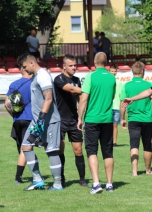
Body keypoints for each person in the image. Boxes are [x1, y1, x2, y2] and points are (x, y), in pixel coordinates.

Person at [18, 53, 62, 191]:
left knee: (51, 151)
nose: (24, 70)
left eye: (25, 66)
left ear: (32, 63)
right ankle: (37, 180)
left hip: (49, 121)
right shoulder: (36, 76)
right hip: (37, 121)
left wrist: (42, 118)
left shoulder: (42, 75)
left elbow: (48, 98)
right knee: (26, 145)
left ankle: (57, 184)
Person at [77, 52, 116, 194]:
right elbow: (111, 97)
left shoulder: (90, 76)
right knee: (108, 152)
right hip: (107, 119)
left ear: (94, 61)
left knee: (92, 151)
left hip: (92, 119)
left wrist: (80, 118)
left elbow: (83, 99)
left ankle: (96, 183)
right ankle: (110, 184)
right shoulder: (112, 78)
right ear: (106, 62)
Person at [120, 61, 152, 176]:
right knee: (147, 145)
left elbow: (123, 103)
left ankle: (135, 171)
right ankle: (147, 170)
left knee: (134, 145)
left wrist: (122, 118)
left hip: (133, 119)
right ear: (143, 71)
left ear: (132, 72)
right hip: (147, 119)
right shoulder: (148, 85)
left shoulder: (126, 85)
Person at [54, 54, 87, 188]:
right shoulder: (59, 79)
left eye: (75, 65)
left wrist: (80, 117)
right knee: (60, 150)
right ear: (64, 66)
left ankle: (82, 179)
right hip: (60, 120)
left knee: (78, 150)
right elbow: (71, 89)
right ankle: (61, 178)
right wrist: (89, 90)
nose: (74, 68)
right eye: (71, 65)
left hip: (74, 120)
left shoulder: (77, 80)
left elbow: (80, 100)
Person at [4, 66, 33, 184]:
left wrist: (14, 117)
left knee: (22, 147)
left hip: (17, 120)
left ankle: (31, 174)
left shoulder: (14, 84)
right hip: (30, 119)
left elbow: (6, 104)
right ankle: (18, 177)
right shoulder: (33, 83)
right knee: (26, 148)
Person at [109, 65, 123, 147]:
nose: (113, 73)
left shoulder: (119, 82)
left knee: (115, 125)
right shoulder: (106, 81)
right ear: (109, 71)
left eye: (115, 71)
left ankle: (114, 142)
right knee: (107, 125)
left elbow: (121, 95)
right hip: (109, 106)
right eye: (112, 71)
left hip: (116, 106)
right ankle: (108, 141)